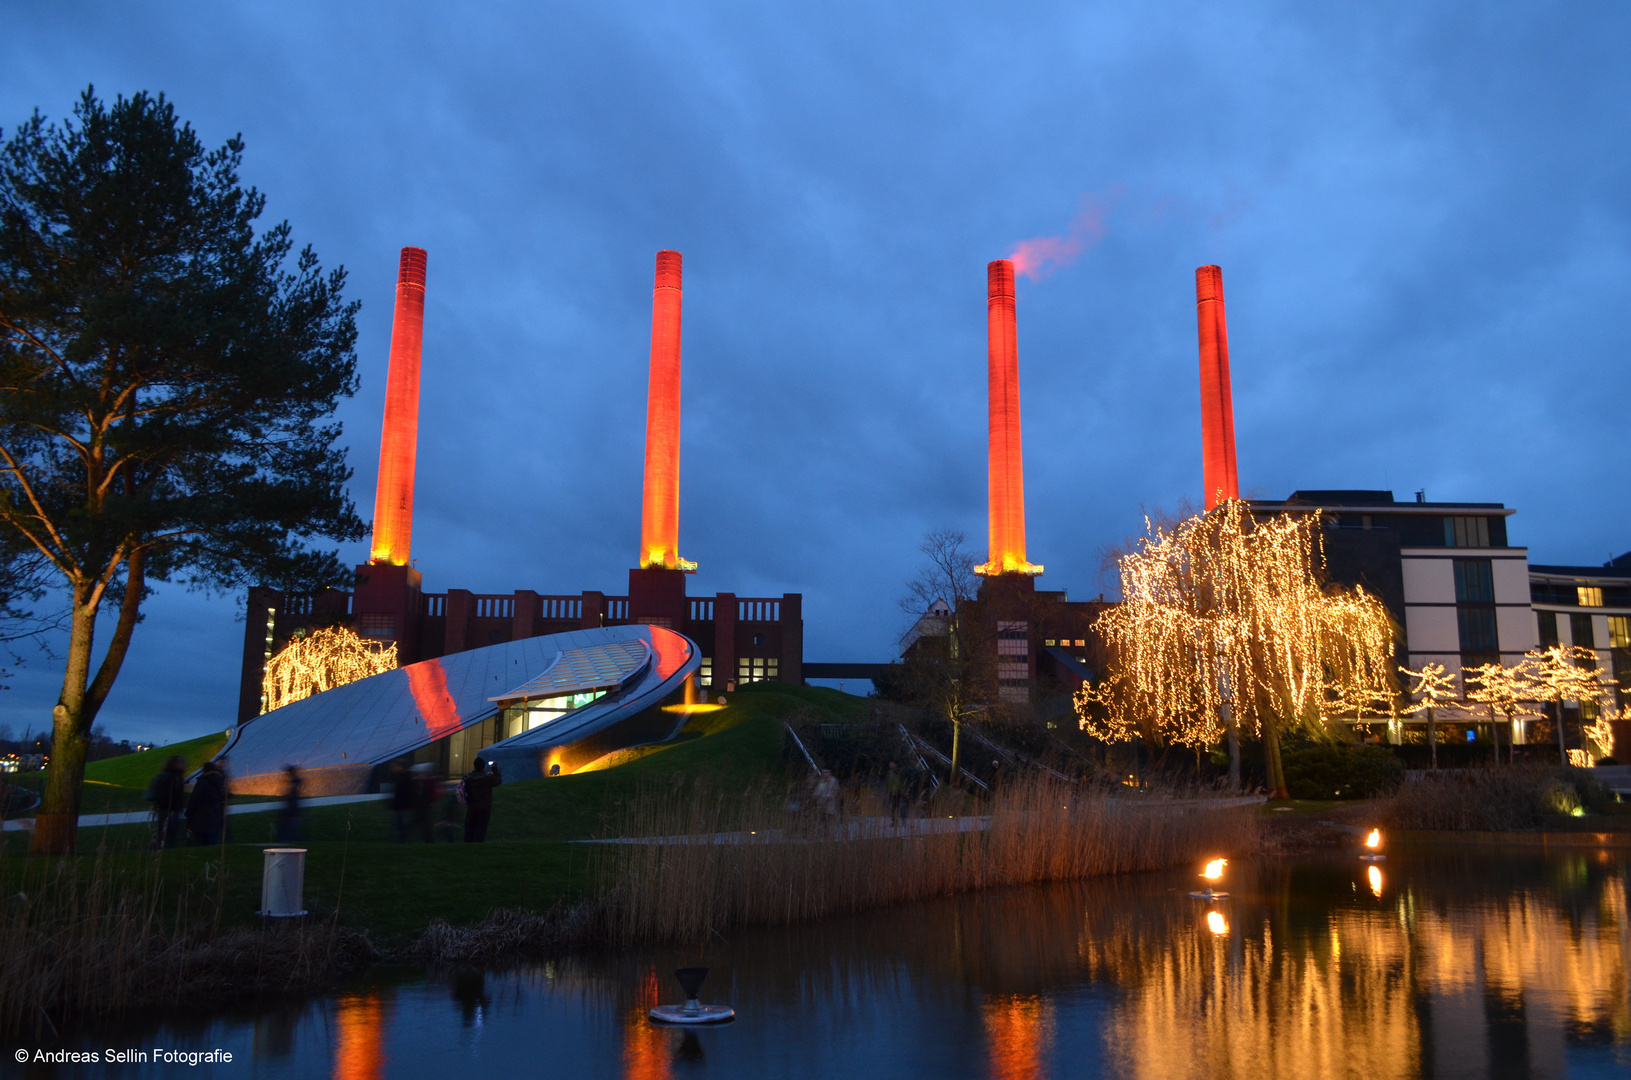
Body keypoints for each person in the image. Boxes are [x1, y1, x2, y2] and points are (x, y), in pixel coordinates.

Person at [145, 755, 188, 849]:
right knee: (164, 828)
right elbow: (165, 793)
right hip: (166, 808)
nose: (181, 765)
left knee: (171, 828)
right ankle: (160, 845)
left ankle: (166, 844)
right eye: (179, 763)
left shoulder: (178, 776)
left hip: (173, 808)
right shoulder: (169, 776)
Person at [186, 759, 229, 845]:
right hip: (215, 811)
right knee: (212, 837)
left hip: (201, 813)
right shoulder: (220, 780)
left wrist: (188, 813)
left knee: (201, 838)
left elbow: (195, 798)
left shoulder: (202, 782)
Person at [461, 758, 502, 842]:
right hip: (484, 805)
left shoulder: (468, 777)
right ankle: (478, 843)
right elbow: (498, 780)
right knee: (481, 827)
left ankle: (467, 843)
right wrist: (494, 769)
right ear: (483, 767)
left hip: (472, 804)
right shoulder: (487, 778)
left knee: (470, 826)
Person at [276, 765, 303, 842]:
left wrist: (286, 796)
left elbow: (293, 792)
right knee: (290, 820)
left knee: (291, 820)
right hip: (292, 804)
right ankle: (291, 836)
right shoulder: (294, 780)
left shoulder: (295, 780)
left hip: (292, 804)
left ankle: (290, 837)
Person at [389, 760, 415, 842]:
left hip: (402, 804)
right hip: (400, 804)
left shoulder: (405, 777)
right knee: (400, 821)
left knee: (401, 821)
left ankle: (403, 839)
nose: (393, 769)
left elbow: (407, 791)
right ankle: (402, 838)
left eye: (395, 766)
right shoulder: (400, 776)